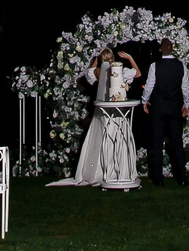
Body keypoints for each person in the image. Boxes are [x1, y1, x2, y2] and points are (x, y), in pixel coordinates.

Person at [55, 44, 141, 189]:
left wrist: (96, 59)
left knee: (99, 139)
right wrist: (130, 58)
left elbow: (89, 70)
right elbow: (138, 74)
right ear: (113, 58)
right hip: (115, 112)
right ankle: (115, 171)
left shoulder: (97, 71)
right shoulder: (119, 71)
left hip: (100, 113)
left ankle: (96, 171)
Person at [140, 36, 189, 187]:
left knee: (157, 143)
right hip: (175, 108)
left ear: (160, 49)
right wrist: (186, 104)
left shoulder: (155, 66)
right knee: (177, 142)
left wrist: (144, 101)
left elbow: (149, 86)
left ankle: (158, 178)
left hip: (158, 108)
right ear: (172, 48)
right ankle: (182, 178)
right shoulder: (181, 66)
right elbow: (185, 88)